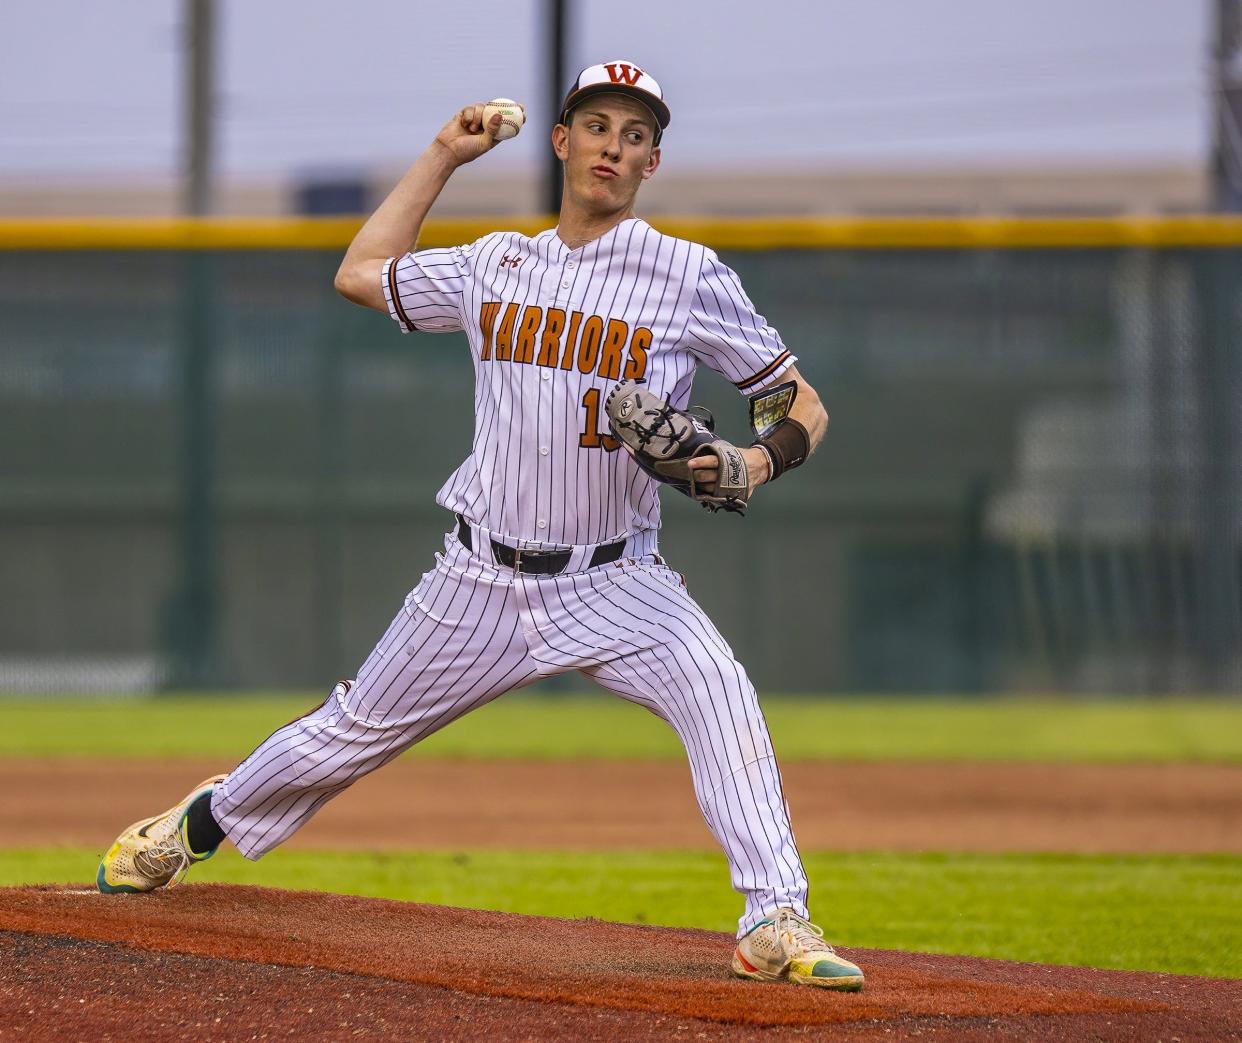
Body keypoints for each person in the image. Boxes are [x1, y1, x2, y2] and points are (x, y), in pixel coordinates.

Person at [97, 59, 863, 992]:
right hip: (479, 580)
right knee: (347, 734)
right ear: (562, 142)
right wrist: (442, 156)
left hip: (619, 577)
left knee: (721, 694)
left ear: (651, 162)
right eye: (596, 125)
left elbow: (799, 403)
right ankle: (196, 825)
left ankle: (774, 916)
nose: (611, 147)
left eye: (633, 135)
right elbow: (359, 274)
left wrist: (754, 459)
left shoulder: (687, 273)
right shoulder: (496, 263)